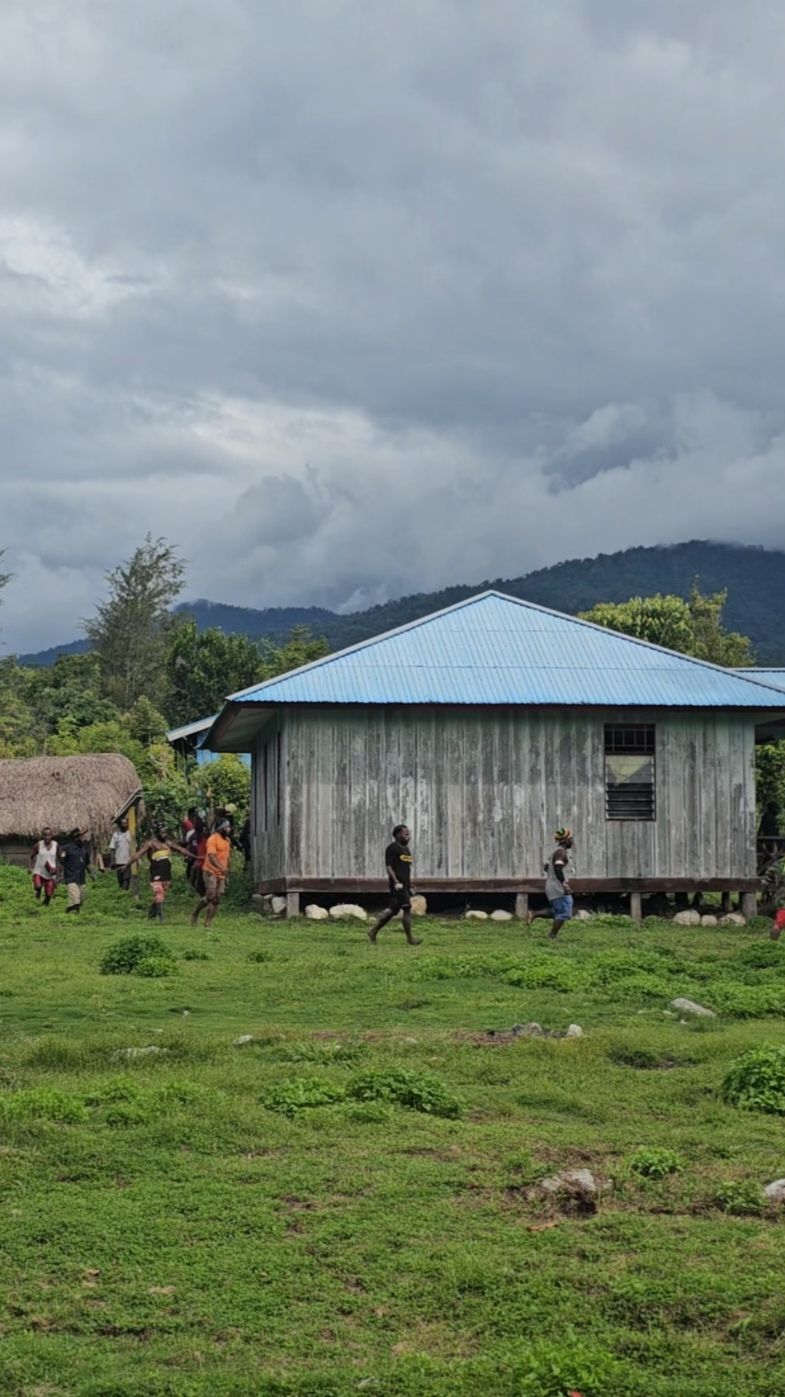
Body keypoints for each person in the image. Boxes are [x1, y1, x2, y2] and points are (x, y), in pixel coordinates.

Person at [368, 824, 422, 946]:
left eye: (409, 834)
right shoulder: (392, 848)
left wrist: (409, 884)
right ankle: (410, 939)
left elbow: (405, 869)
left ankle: (373, 931)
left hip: (405, 885)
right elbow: (389, 867)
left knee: (393, 910)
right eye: (405, 834)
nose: (408, 837)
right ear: (398, 835)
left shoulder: (406, 850)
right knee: (407, 908)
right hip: (397, 886)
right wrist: (396, 881)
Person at [130, 828, 193, 921]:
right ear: (157, 834)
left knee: (162, 894)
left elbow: (181, 849)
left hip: (166, 872)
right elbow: (138, 854)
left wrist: (196, 856)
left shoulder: (168, 844)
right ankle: (161, 916)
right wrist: (126, 865)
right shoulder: (151, 844)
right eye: (162, 833)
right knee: (159, 893)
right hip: (156, 871)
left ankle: (151, 914)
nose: (165, 834)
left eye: (165, 832)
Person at [191, 820, 232, 929]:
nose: (229, 829)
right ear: (220, 828)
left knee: (217, 899)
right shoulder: (212, 839)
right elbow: (211, 856)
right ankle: (195, 914)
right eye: (226, 827)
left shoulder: (227, 840)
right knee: (210, 896)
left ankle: (208, 922)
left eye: (229, 827)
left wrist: (227, 872)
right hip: (211, 871)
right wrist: (220, 867)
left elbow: (227, 858)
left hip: (222, 873)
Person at [542, 826, 575, 939]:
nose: (572, 841)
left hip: (553, 886)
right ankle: (552, 936)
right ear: (566, 841)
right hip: (558, 888)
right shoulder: (561, 853)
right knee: (564, 912)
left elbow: (546, 867)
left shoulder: (556, 852)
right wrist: (564, 884)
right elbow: (558, 868)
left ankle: (534, 914)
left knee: (561, 911)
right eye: (571, 839)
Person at [60, 829, 90, 913]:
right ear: (76, 838)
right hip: (71, 877)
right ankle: (75, 916)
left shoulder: (84, 849)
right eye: (81, 837)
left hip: (81, 877)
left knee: (81, 899)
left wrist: (90, 873)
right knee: (76, 898)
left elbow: (86, 863)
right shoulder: (67, 849)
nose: (83, 838)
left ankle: (69, 909)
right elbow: (61, 862)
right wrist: (60, 875)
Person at [30, 827, 59, 906]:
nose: (47, 837)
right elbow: (32, 856)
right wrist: (31, 866)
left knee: (49, 895)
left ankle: (43, 908)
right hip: (39, 870)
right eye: (45, 835)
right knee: (38, 886)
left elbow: (60, 858)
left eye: (48, 835)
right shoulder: (39, 845)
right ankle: (37, 895)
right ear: (42, 836)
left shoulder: (56, 845)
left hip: (50, 872)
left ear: (51, 835)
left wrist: (59, 872)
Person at [109, 817, 133, 891]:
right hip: (119, 862)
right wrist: (113, 860)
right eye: (123, 823)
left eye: (126, 823)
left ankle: (125, 892)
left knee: (126, 879)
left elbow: (135, 847)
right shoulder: (116, 835)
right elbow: (112, 848)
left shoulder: (130, 834)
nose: (125, 825)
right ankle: (122, 894)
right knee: (120, 880)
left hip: (128, 861)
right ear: (120, 825)